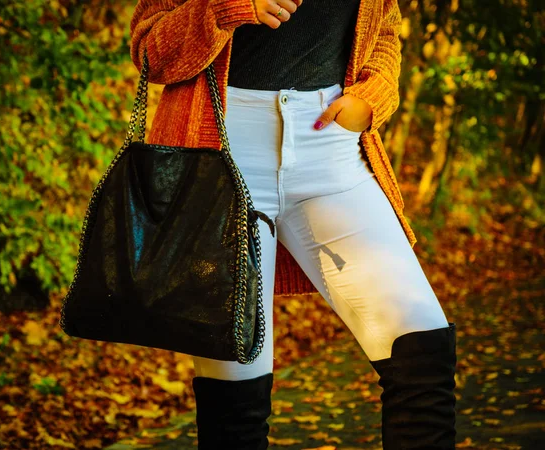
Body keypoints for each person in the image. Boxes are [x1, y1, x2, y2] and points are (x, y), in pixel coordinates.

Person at [130, 0, 458, 449]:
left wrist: (373, 96)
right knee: (235, 404)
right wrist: (231, 7)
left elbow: (384, 30)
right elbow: (151, 50)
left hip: (333, 146)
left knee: (423, 355)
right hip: (217, 148)